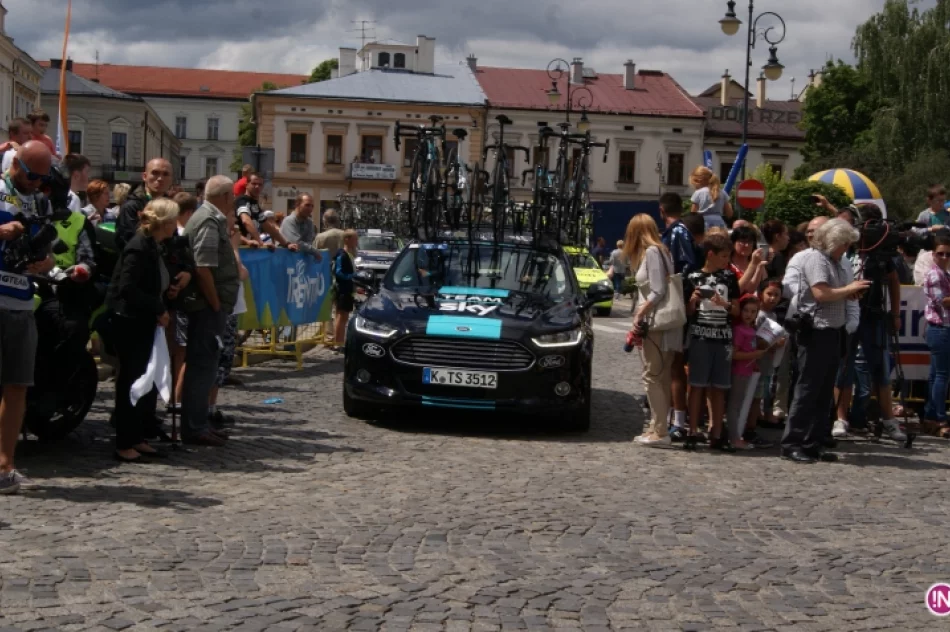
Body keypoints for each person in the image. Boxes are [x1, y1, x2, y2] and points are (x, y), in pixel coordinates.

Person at [781, 219, 870, 464]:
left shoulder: (836, 261)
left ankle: (814, 442)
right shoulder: (815, 259)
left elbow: (836, 292)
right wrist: (849, 288)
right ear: (832, 241)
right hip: (816, 330)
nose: (846, 249)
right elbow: (821, 293)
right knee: (808, 389)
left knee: (824, 392)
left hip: (834, 330)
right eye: (844, 244)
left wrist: (852, 292)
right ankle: (793, 442)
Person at [106, 199, 183, 462]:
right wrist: (156, 308)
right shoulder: (138, 247)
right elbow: (127, 288)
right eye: (174, 220)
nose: (176, 225)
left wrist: (169, 292)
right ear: (164, 222)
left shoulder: (154, 246)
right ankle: (124, 441)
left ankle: (137, 436)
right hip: (130, 322)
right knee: (131, 381)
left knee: (145, 380)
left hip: (144, 321)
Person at [0, 142, 57, 494]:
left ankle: (5, 467)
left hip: (21, 299)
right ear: (16, 165)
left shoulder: (39, 201)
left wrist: (44, 263)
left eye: (42, 177)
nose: (36, 183)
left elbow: (49, 256)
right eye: (31, 175)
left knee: (18, 384)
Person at [181, 175, 241, 446]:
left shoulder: (211, 217)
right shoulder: (208, 219)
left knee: (205, 366)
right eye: (232, 196)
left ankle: (199, 423)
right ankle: (195, 427)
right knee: (202, 367)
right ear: (226, 196)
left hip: (210, 306)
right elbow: (202, 266)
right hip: (206, 307)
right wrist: (216, 303)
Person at [625, 214, 681, 448]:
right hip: (663, 323)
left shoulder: (652, 252)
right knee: (662, 375)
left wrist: (639, 314)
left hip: (655, 323)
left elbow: (657, 291)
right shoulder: (662, 251)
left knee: (652, 375)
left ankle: (659, 431)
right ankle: (658, 426)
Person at [684, 232, 740, 451]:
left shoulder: (729, 277)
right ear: (710, 254)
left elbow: (736, 310)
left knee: (719, 387)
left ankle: (716, 431)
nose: (727, 260)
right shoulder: (693, 276)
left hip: (722, 337)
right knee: (696, 385)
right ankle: (692, 430)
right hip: (700, 336)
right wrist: (693, 301)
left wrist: (724, 303)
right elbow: (688, 313)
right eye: (724, 256)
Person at [166, 192, 199, 414]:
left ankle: (173, 396)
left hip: (174, 300)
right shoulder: (181, 235)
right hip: (180, 301)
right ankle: (175, 398)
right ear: (188, 213)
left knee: (176, 351)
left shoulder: (174, 233)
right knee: (181, 352)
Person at [744, 280, 785, 446]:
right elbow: (759, 342)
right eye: (769, 294)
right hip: (756, 364)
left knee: (759, 396)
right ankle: (749, 429)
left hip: (766, 364)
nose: (773, 298)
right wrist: (775, 343)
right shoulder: (759, 315)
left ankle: (752, 427)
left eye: (776, 295)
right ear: (761, 294)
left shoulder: (773, 315)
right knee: (754, 398)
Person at [726, 294, 768, 450]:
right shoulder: (739, 330)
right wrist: (754, 355)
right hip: (738, 372)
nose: (749, 315)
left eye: (753, 311)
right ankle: (734, 437)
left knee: (739, 404)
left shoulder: (751, 329)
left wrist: (754, 362)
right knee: (734, 405)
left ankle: (736, 435)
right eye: (746, 311)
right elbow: (734, 354)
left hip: (747, 372)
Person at [922, 236, 950, 438]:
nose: (944, 257)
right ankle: (940, 418)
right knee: (942, 376)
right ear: (933, 254)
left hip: (941, 328)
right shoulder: (935, 275)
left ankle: (931, 416)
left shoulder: (944, 273)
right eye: (940, 253)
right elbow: (943, 302)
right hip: (940, 328)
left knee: (935, 376)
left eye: (948, 254)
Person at [115, 158, 173, 251]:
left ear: (171, 180)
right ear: (145, 176)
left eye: (165, 174)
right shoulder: (131, 206)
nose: (160, 178)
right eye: (155, 173)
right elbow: (128, 242)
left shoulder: (171, 206)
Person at [235, 173, 297, 250]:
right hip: (236, 247)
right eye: (254, 183)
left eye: (260, 185)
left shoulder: (255, 205)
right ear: (247, 185)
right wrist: (260, 242)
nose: (257, 187)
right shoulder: (242, 200)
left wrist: (286, 244)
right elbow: (246, 220)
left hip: (247, 249)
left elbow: (268, 227)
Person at [660, 192, 699, 276]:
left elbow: (688, 264)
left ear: (661, 210)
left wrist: (676, 282)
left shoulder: (678, 231)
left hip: (678, 286)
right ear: (681, 209)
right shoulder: (674, 231)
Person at [332, 229, 359, 349]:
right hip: (343, 289)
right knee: (341, 316)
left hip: (348, 289)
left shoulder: (349, 254)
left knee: (344, 316)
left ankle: (340, 341)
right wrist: (351, 276)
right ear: (347, 239)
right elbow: (338, 272)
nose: (356, 241)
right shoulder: (342, 254)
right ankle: (338, 343)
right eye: (354, 239)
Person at [279, 193, 323, 260]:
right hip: (285, 261)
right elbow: (297, 242)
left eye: (312, 206)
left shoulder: (309, 222)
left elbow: (309, 242)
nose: (310, 209)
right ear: (297, 205)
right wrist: (315, 251)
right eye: (307, 205)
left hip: (300, 262)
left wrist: (309, 249)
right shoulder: (289, 221)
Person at [689, 166, 733, 230]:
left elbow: (693, 214)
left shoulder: (698, 193)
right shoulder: (722, 193)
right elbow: (729, 213)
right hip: (719, 224)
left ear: (698, 181)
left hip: (703, 224)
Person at [730, 225, 768, 294]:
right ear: (733, 243)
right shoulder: (727, 264)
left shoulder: (757, 261)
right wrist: (753, 265)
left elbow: (765, 284)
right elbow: (740, 290)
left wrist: (760, 266)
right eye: (743, 241)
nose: (747, 245)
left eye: (750, 242)